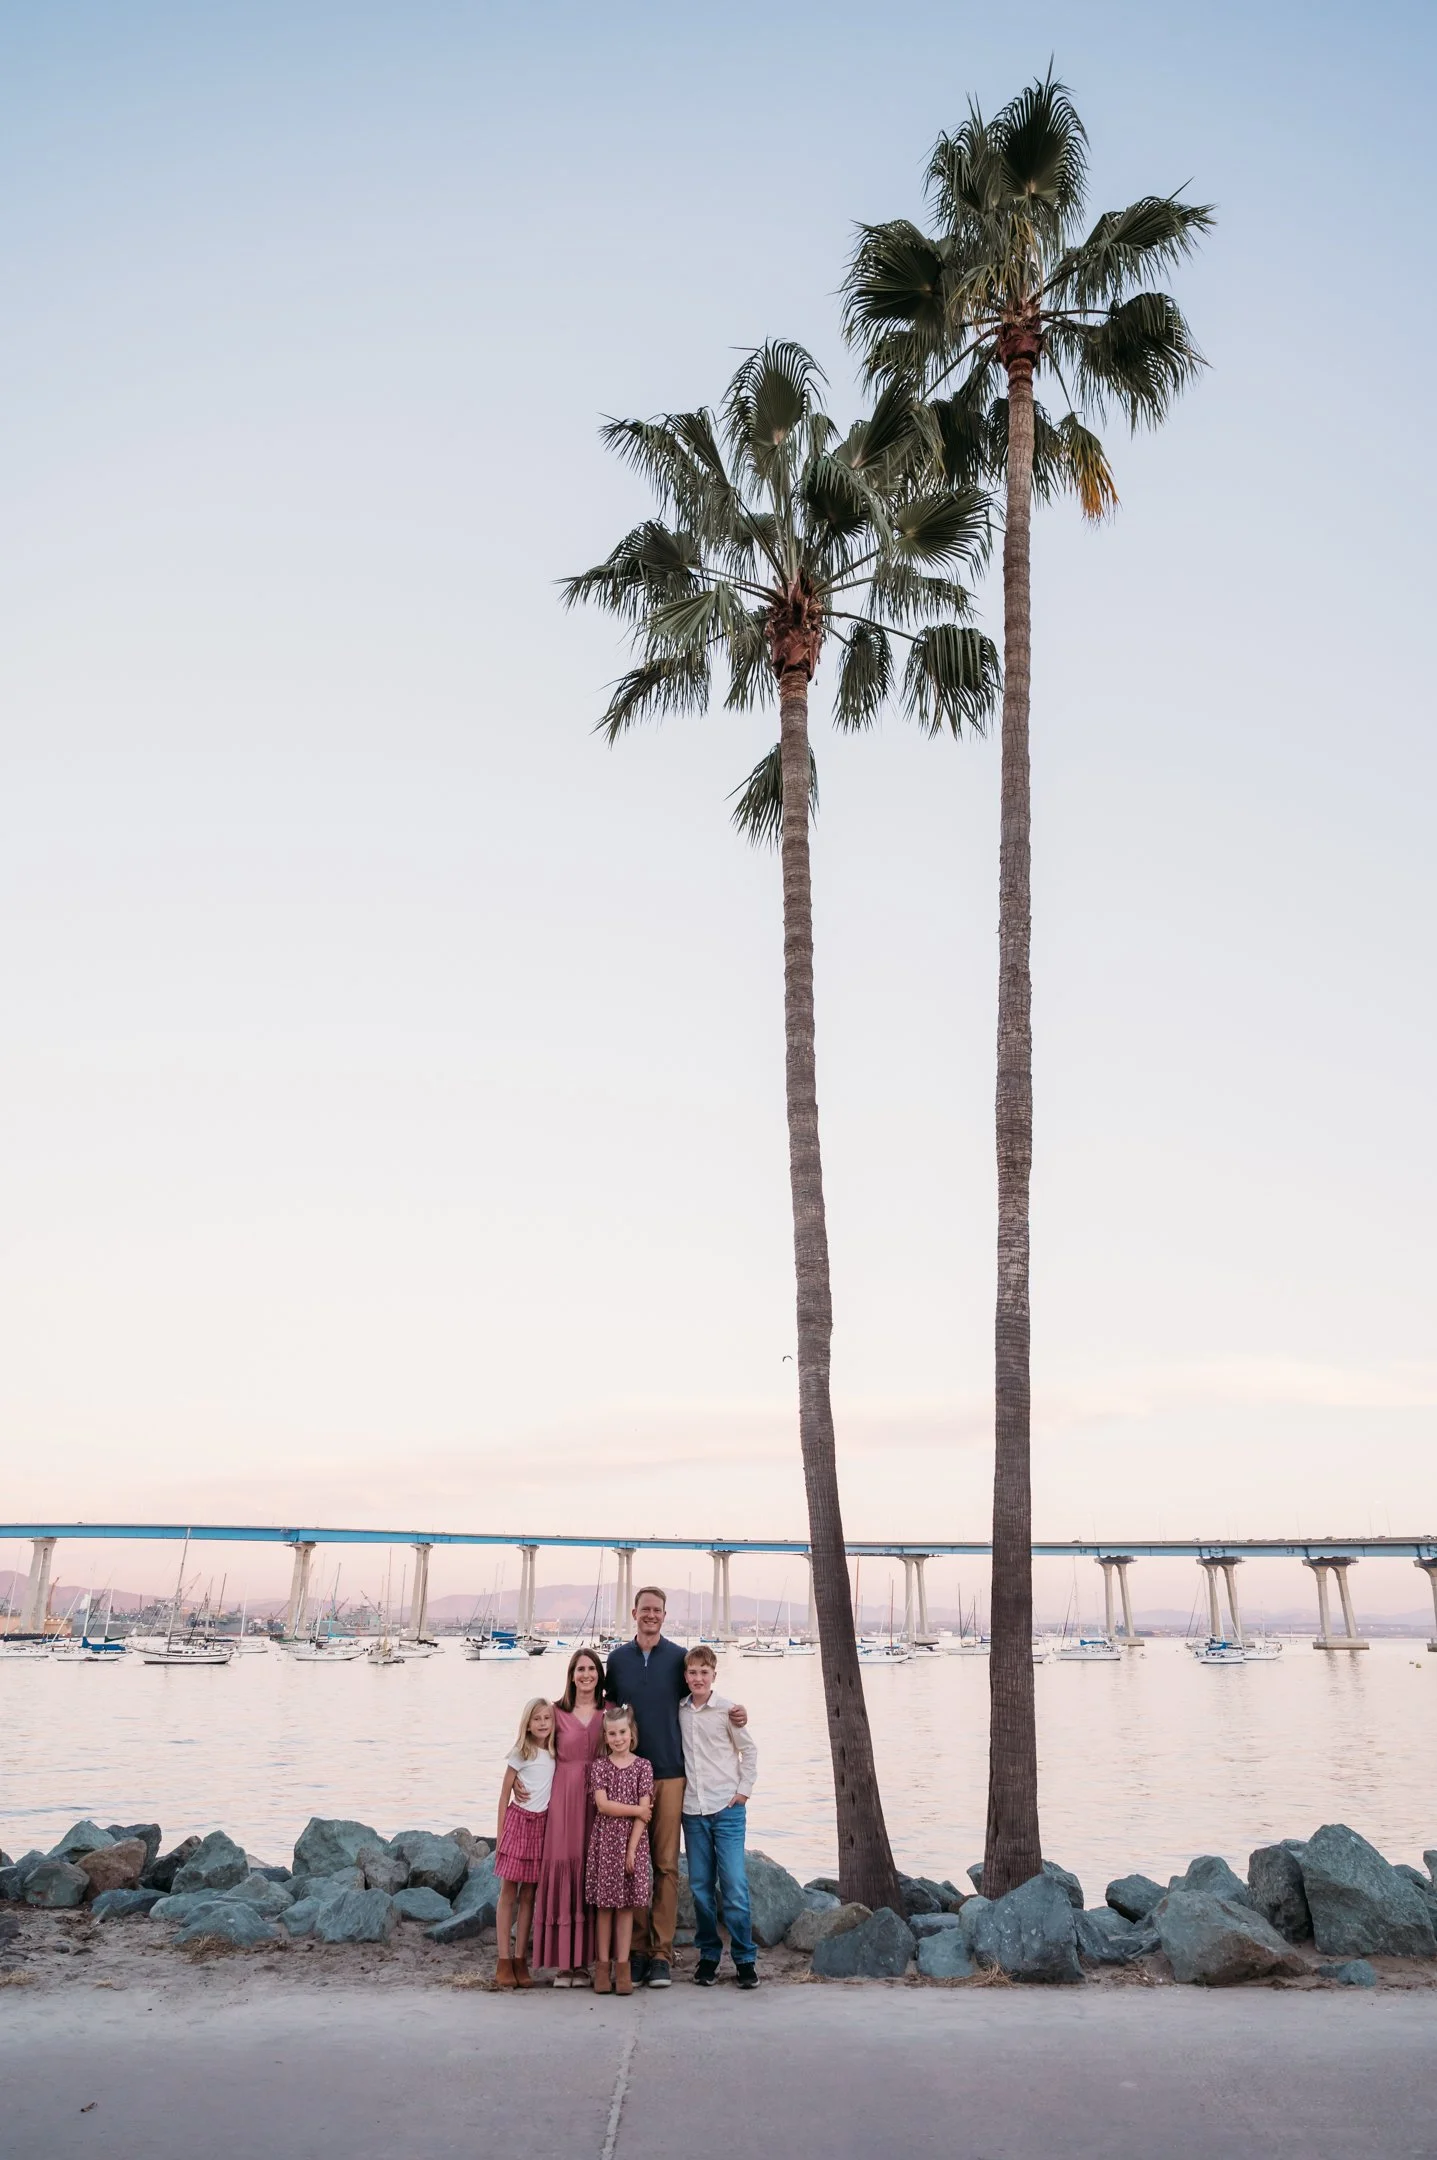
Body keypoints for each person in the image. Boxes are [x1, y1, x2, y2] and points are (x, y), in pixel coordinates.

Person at [603, 1584, 747, 1987]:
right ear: (634, 1613)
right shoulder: (617, 1660)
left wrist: (737, 1713)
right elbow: (606, 1711)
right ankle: (636, 1950)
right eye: (645, 1609)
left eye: (657, 1610)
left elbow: (704, 1699)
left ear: (664, 1616)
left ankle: (662, 1953)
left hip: (670, 1775)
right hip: (628, 1778)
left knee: (666, 1866)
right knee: (631, 1866)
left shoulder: (678, 1659)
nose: (651, 1615)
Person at [679, 1643, 760, 1989]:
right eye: (693, 1673)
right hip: (692, 1812)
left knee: (735, 1887)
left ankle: (744, 1958)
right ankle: (709, 1955)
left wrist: (743, 1792)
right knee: (699, 1887)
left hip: (726, 1810)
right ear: (686, 1676)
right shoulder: (679, 1710)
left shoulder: (728, 1710)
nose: (698, 1678)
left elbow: (749, 1751)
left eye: (704, 1673)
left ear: (714, 1675)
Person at [530, 1645, 606, 1985]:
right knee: (564, 1864)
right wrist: (517, 1780)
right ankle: (564, 1963)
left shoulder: (612, 1711)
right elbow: (532, 1747)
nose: (586, 1674)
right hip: (564, 1797)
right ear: (571, 1675)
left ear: (599, 1675)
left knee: (592, 1869)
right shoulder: (556, 1712)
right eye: (580, 1669)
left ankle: (587, 1962)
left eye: (591, 1668)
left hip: (600, 1800)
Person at [585, 1703, 654, 1995]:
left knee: (626, 1908)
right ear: (605, 1736)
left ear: (631, 1732)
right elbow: (602, 1804)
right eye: (612, 1733)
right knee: (605, 1908)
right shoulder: (600, 1766)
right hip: (605, 1842)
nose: (617, 1738)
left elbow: (646, 1814)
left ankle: (623, 1968)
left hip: (632, 1845)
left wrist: (631, 1850)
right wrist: (636, 1811)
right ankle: (603, 1967)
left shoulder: (643, 1766)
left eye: (622, 1732)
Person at [492, 1696, 555, 1991]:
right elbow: (504, 1794)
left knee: (530, 1894)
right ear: (527, 1724)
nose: (543, 1724)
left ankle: (520, 1960)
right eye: (537, 1719)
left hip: (542, 1825)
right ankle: (503, 1960)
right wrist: (501, 1834)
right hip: (518, 1822)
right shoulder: (521, 1752)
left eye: (547, 1718)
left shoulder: (556, 1752)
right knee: (509, 1891)